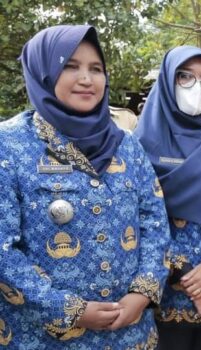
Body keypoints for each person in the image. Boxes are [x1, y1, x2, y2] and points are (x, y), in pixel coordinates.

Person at [0, 25, 170, 348]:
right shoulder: (9, 146)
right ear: (44, 73)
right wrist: (71, 310)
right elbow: (3, 253)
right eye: (70, 66)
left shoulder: (127, 145)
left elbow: (154, 222)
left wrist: (142, 292)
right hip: (43, 338)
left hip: (129, 336)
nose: (86, 79)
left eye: (96, 69)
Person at [135, 46, 201, 350]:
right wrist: (188, 279)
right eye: (186, 77)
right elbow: (139, 221)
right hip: (166, 292)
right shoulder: (140, 144)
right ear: (168, 81)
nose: (198, 88)